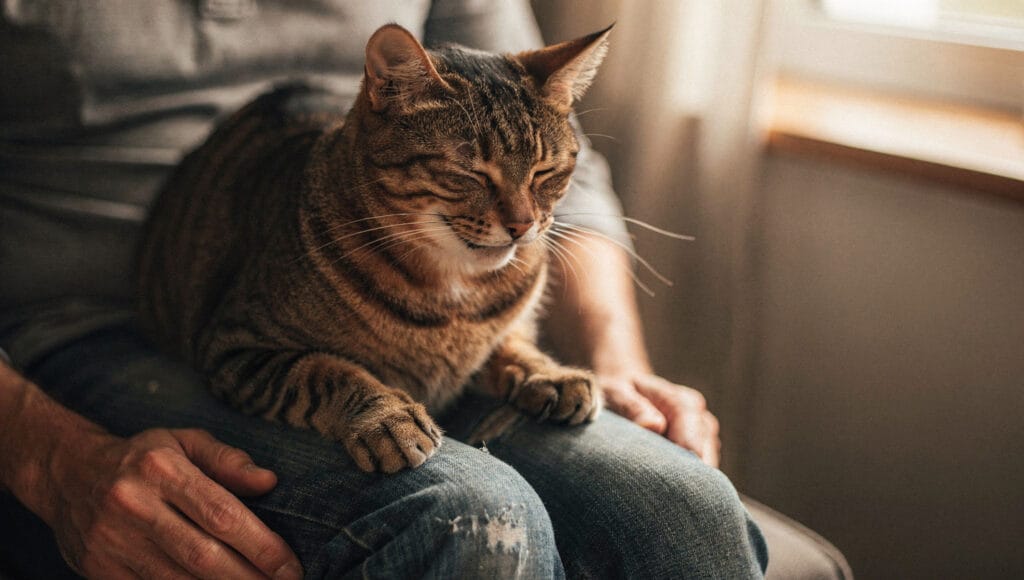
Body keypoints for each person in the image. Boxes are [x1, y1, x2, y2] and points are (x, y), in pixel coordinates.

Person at [0, 1, 768, 577]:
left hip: (419, 238)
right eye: (480, 181)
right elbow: (242, 348)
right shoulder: (325, 241)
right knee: (471, 520)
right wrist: (49, 460)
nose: (520, 218)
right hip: (81, 324)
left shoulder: (508, 201)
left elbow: (564, 159)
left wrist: (615, 359)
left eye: (538, 185)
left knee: (685, 507)